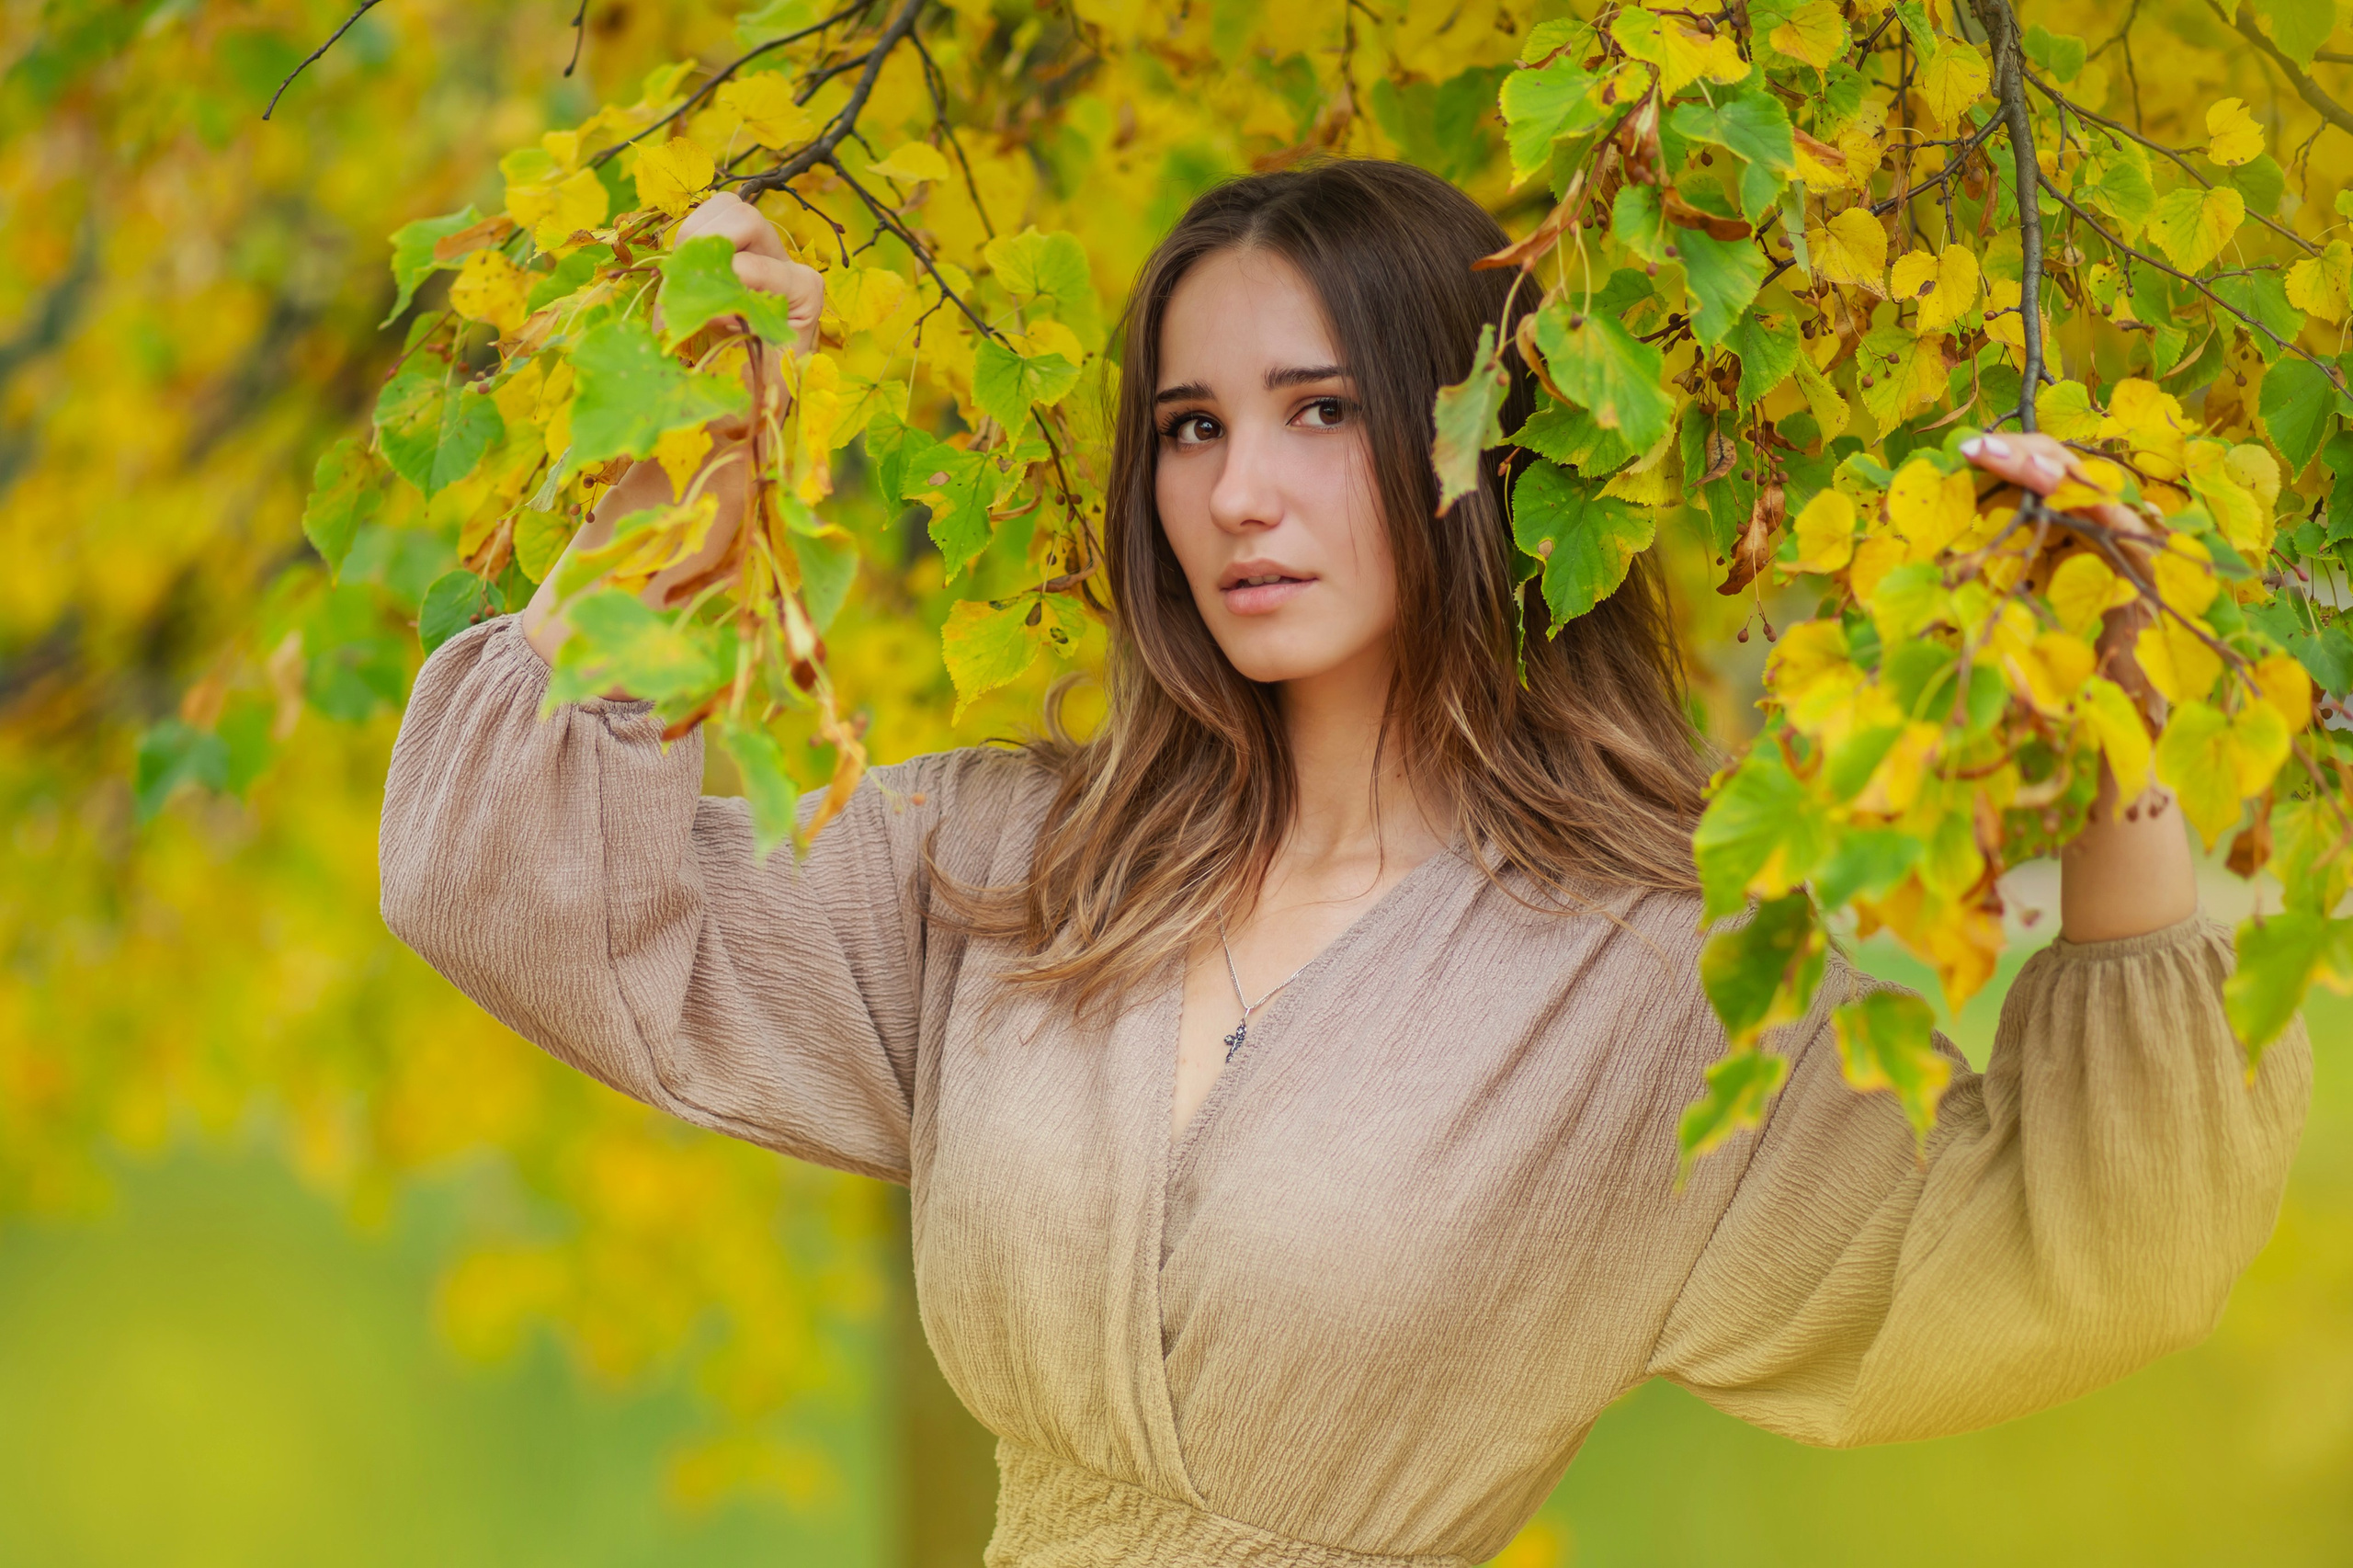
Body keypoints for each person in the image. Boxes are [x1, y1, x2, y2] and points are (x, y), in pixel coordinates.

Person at [380, 160, 2311, 1566]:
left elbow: (2102, 1251)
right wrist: (674, 470)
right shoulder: (1019, 867)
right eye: (1190, 427)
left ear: (1467, 447)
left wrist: (2111, 722)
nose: (1237, 493)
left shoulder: (1649, 990)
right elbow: (510, 885)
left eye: (1318, 414)